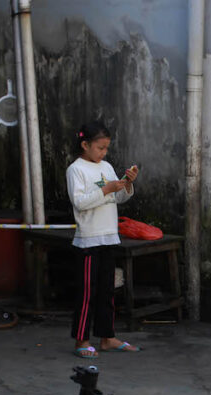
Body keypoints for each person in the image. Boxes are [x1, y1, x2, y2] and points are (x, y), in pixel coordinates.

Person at [68, 120, 140, 358]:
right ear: (85, 145)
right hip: (88, 240)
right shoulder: (75, 169)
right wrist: (106, 190)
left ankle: (107, 337)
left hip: (109, 237)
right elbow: (79, 202)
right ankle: (81, 341)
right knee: (87, 293)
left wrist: (126, 184)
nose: (103, 153)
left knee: (107, 291)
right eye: (100, 148)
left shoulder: (107, 167)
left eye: (106, 148)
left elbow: (118, 199)